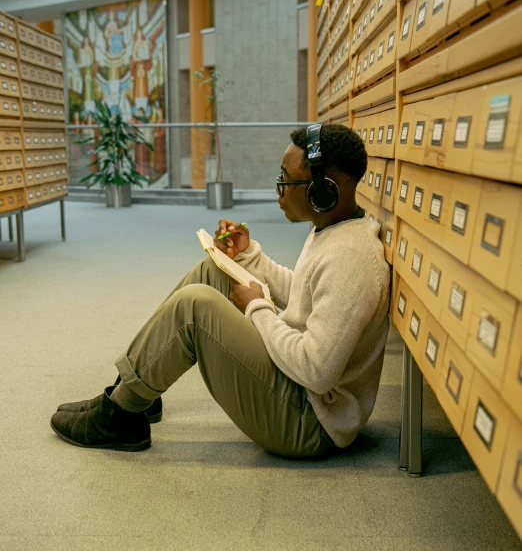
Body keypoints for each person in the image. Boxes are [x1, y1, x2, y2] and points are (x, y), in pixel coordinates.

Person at [50, 125, 391, 459]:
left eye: (286, 180)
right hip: (297, 394)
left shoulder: (351, 258)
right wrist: (248, 256)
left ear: (323, 190)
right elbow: (304, 293)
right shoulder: (333, 230)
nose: (279, 190)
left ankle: (121, 415)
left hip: (310, 422)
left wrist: (258, 308)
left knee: (195, 307)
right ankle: (134, 394)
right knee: (212, 271)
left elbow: (316, 371)